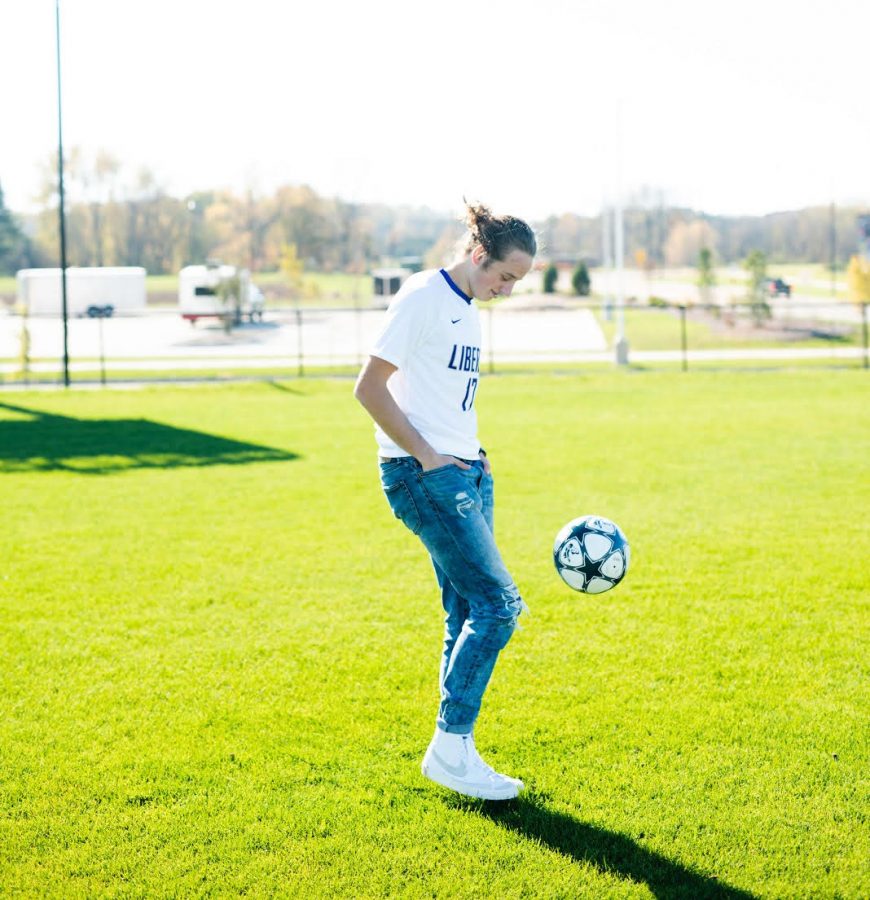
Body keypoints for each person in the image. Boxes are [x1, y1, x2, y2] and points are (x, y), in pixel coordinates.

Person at [353, 202, 537, 800]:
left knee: (464, 615)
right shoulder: (421, 297)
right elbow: (369, 388)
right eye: (504, 277)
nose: (505, 292)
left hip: (466, 472)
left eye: (515, 283)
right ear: (479, 254)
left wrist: (472, 451)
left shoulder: (467, 309)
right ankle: (449, 748)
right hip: (422, 475)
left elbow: (444, 396)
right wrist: (431, 457)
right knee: (499, 605)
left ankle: (456, 750)